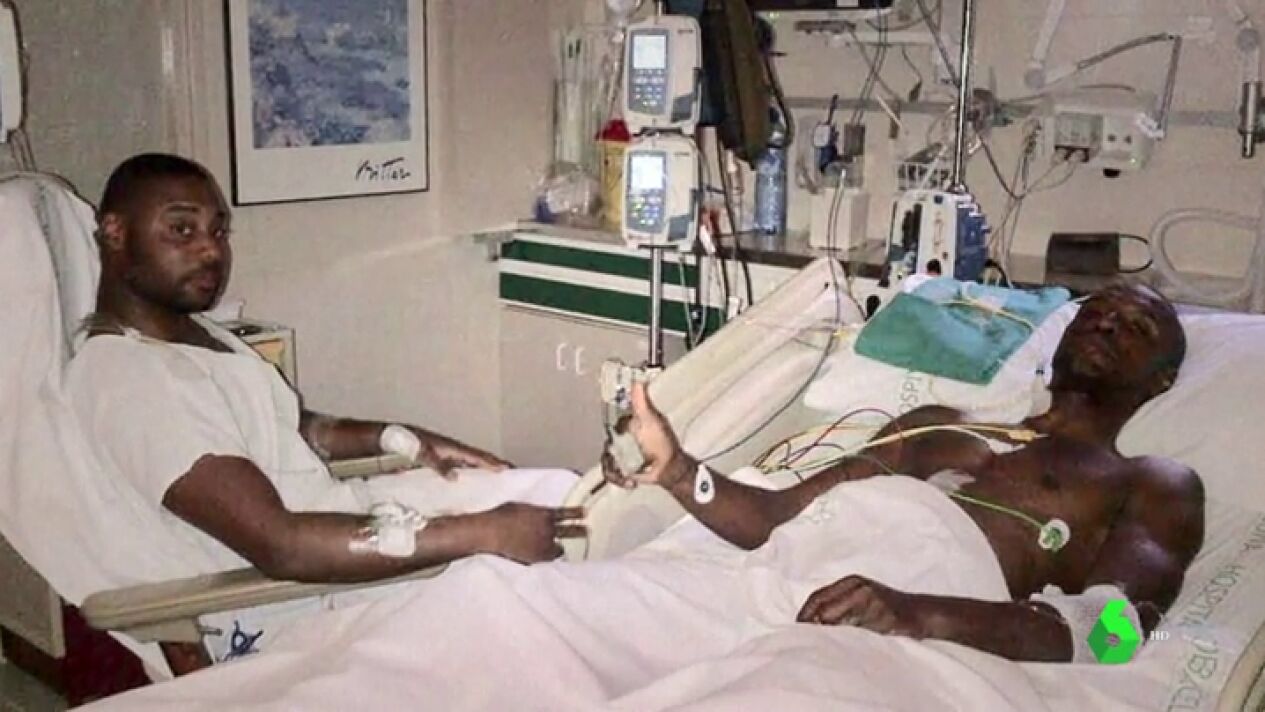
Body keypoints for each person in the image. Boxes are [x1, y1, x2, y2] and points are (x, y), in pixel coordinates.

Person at [64, 153, 583, 668]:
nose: (210, 250)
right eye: (182, 229)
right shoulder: (132, 380)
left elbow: (288, 429)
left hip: (341, 529)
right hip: (294, 602)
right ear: (115, 232)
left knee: (556, 492)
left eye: (218, 231)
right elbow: (281, 547)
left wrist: (402, 438)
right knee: (539, 594)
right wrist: (483, 532)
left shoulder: (193, 335)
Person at [606, 282, 1205, 663]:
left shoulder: (1151, 482)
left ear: (1162, 381)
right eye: (1095, 314)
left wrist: (919, 614)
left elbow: (1115, 635)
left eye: (1137, 327)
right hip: (770, 582)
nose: (1107, 325)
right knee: (563, 613)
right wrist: (679, 471)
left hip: (881, 643)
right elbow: (774, 518)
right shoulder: (934, 424)